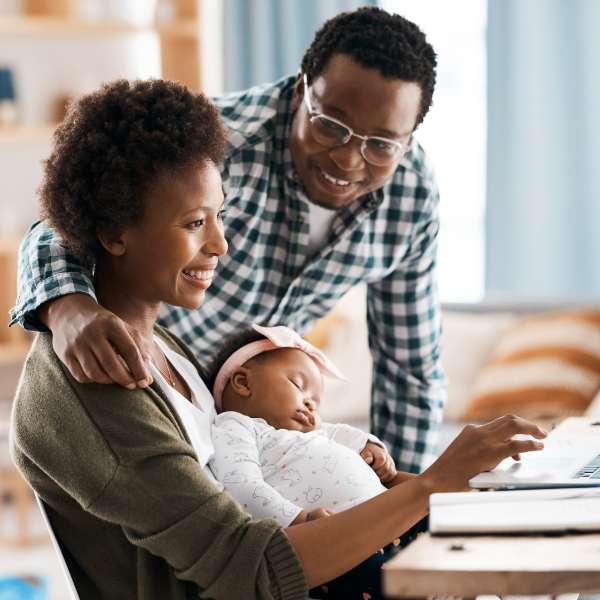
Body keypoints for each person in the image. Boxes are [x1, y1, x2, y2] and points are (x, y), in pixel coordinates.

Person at [11, 78, 547, 600]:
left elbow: (291, 454)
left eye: (219, 216)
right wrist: (433, 488)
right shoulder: (100, 380)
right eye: (195, 222)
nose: (221, 244)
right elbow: (255, 569)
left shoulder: (164, 345)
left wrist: (440, 485)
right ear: (113, 235)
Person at [12, 6, 444, 473]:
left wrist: (405, 501)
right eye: (331, 126)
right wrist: (69, 306)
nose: (348, 159)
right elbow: (58, 223)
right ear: (302, 90)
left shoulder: (412, 196)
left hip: (255, 428)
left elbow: (409, 372)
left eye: (381, 144)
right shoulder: (218, 142)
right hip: (152, 391)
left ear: (409, 139)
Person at [208, 323, 419, 599]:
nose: (310, 405)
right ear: (243, 383)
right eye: (298, 385)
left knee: (453, 518)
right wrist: (299, 519)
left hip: (385, 523)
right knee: (394, 583)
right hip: (336, 550)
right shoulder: (236, 427)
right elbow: (241, 489)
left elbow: (339, 431)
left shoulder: (309, 432)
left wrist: (370, 446)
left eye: (316, 402)